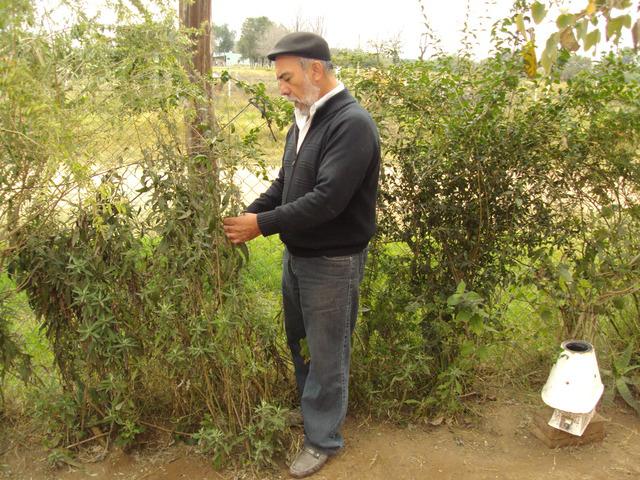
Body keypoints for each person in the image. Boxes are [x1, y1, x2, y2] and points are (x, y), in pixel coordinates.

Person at [223, 31, 380, 478]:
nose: (282, 88)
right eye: (279, 79)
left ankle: (323, 438)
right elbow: (286, 185)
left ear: (315, 69)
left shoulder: (351, 124)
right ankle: (316, 413)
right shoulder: (304, 119)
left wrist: (262, 226)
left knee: (329, 353)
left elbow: (329, 199)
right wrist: (249, 215)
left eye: (287, 77)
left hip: (332, 262)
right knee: (303, 342)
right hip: (301, 256)